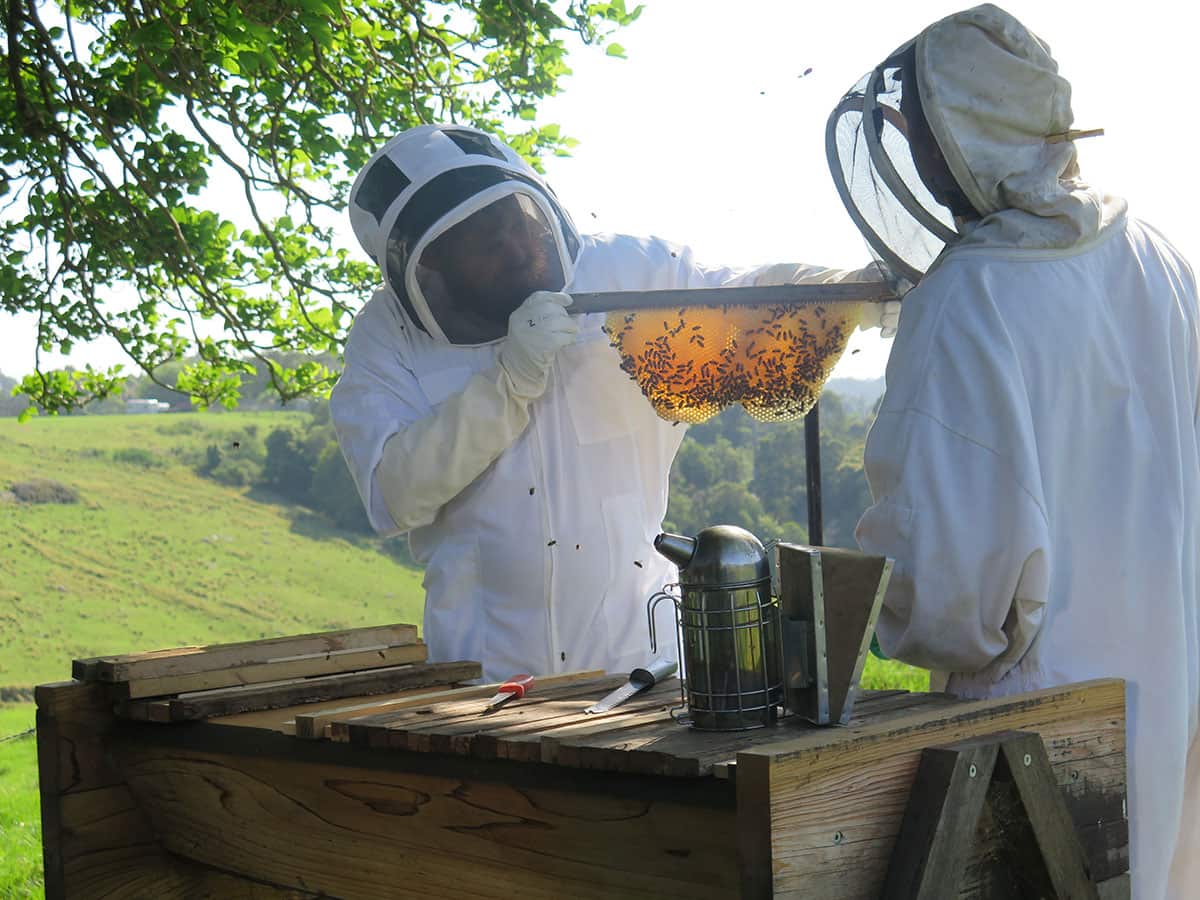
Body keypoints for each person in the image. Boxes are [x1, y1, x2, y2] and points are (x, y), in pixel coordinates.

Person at [836, 6, 1199, 896]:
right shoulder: (1162, 259)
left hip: (1038, 739)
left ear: (965, 129)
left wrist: (875, 603)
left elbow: (950, 599)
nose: (912, 150)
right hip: (1175, 694)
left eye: (919, 126)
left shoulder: (969, 298)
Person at [331, 123, 894, 683]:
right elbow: (392, 497)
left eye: (513, 222)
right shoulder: (387, 336)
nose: (514, 248)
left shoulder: (633, 270)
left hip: (638, 662)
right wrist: (507, 384)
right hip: (484, 673)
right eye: (484, 243)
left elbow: (744, 299)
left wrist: (844, 292)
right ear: (432, 264)